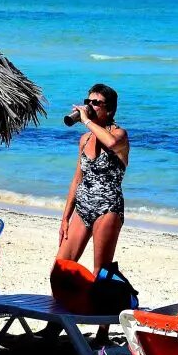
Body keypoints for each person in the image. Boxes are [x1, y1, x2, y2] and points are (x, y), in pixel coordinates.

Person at [57, 84, 129, 276]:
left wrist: (87, 121)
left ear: (110, 109)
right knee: (60, 269)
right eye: (88, 102)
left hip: (107, 208)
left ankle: (103, 304)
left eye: (96, 103)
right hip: (83, 208)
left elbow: (111, 143)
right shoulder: (85, 139)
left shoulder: (119, 135)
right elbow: (76, 180)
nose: (90, 105)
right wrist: (65, 217)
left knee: (101, 273)